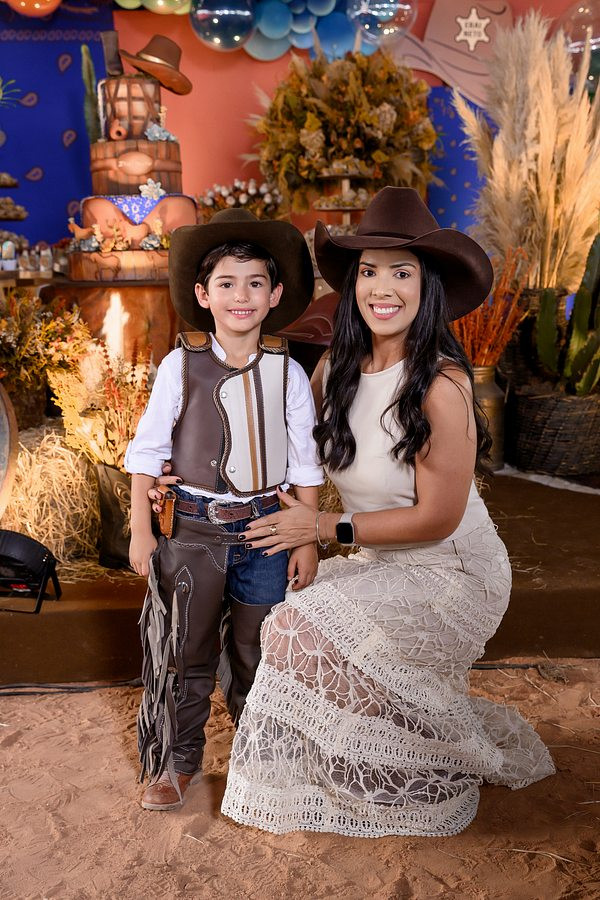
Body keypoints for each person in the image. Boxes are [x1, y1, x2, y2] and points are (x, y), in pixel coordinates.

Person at [217, 187, 555, 837]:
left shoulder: (442, 386)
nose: (382, 288)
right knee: (286, 619)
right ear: (354, 284)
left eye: (402, 273)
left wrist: (323, 528)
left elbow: (438, 520)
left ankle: (430, 756)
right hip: (379, 559)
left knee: (299, 630)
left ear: (427, 288)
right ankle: (383, 745)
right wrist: (301, 536)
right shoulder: (337, 367)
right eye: (369, 271)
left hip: (452, 572)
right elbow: (295, 457)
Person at [126, 209, 323, 811]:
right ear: (203, 294)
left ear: (275, 295)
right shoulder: (181, 366)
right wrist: (141, 530)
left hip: (266, 533)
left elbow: (305, 462)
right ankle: (176, 761)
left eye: (255, 283)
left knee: (257, 650)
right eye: (227, 284)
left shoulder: (288, 372)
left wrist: (307, 539)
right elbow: (147, 451)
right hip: (191, 531)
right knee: (185, 651)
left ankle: (259, 759)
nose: (242, 296)